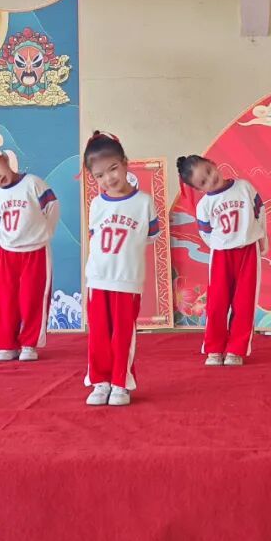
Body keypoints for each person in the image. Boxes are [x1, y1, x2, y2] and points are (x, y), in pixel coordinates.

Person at [83, 132, 159, 407]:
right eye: (100, 175)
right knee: (98, 334)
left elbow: (151, 236)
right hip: (98, 278)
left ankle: (120, 382)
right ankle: (100, 381)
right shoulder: (97, 204)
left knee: (123, 333)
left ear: (126, 163)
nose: (109, 178)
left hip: (127, 279)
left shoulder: (144, 202)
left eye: (113, 168)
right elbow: (94, 238)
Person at [177, 154, 267, 366]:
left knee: (244, 302)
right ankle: (214, 348)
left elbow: (260, 213)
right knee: (217, 303)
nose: (211, 179)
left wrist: (261, 240)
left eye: (209, 172)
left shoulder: (244, 187)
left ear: (213, 164)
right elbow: (205, 232)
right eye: (203, 181)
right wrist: (222, 244)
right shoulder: (205, 205)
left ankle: (236, 349)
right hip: (221, 255)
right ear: (199, 189)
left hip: (248, 251)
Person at [0, 149, 59, 362]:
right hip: (7, 253)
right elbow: (0, 217)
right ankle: (7, 344)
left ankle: (29, 344)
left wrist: (43, 234)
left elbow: (52, 208)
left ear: (4, 159)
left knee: (32, 298)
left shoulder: (33, 183)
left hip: (35, 251)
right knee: (5, 300)